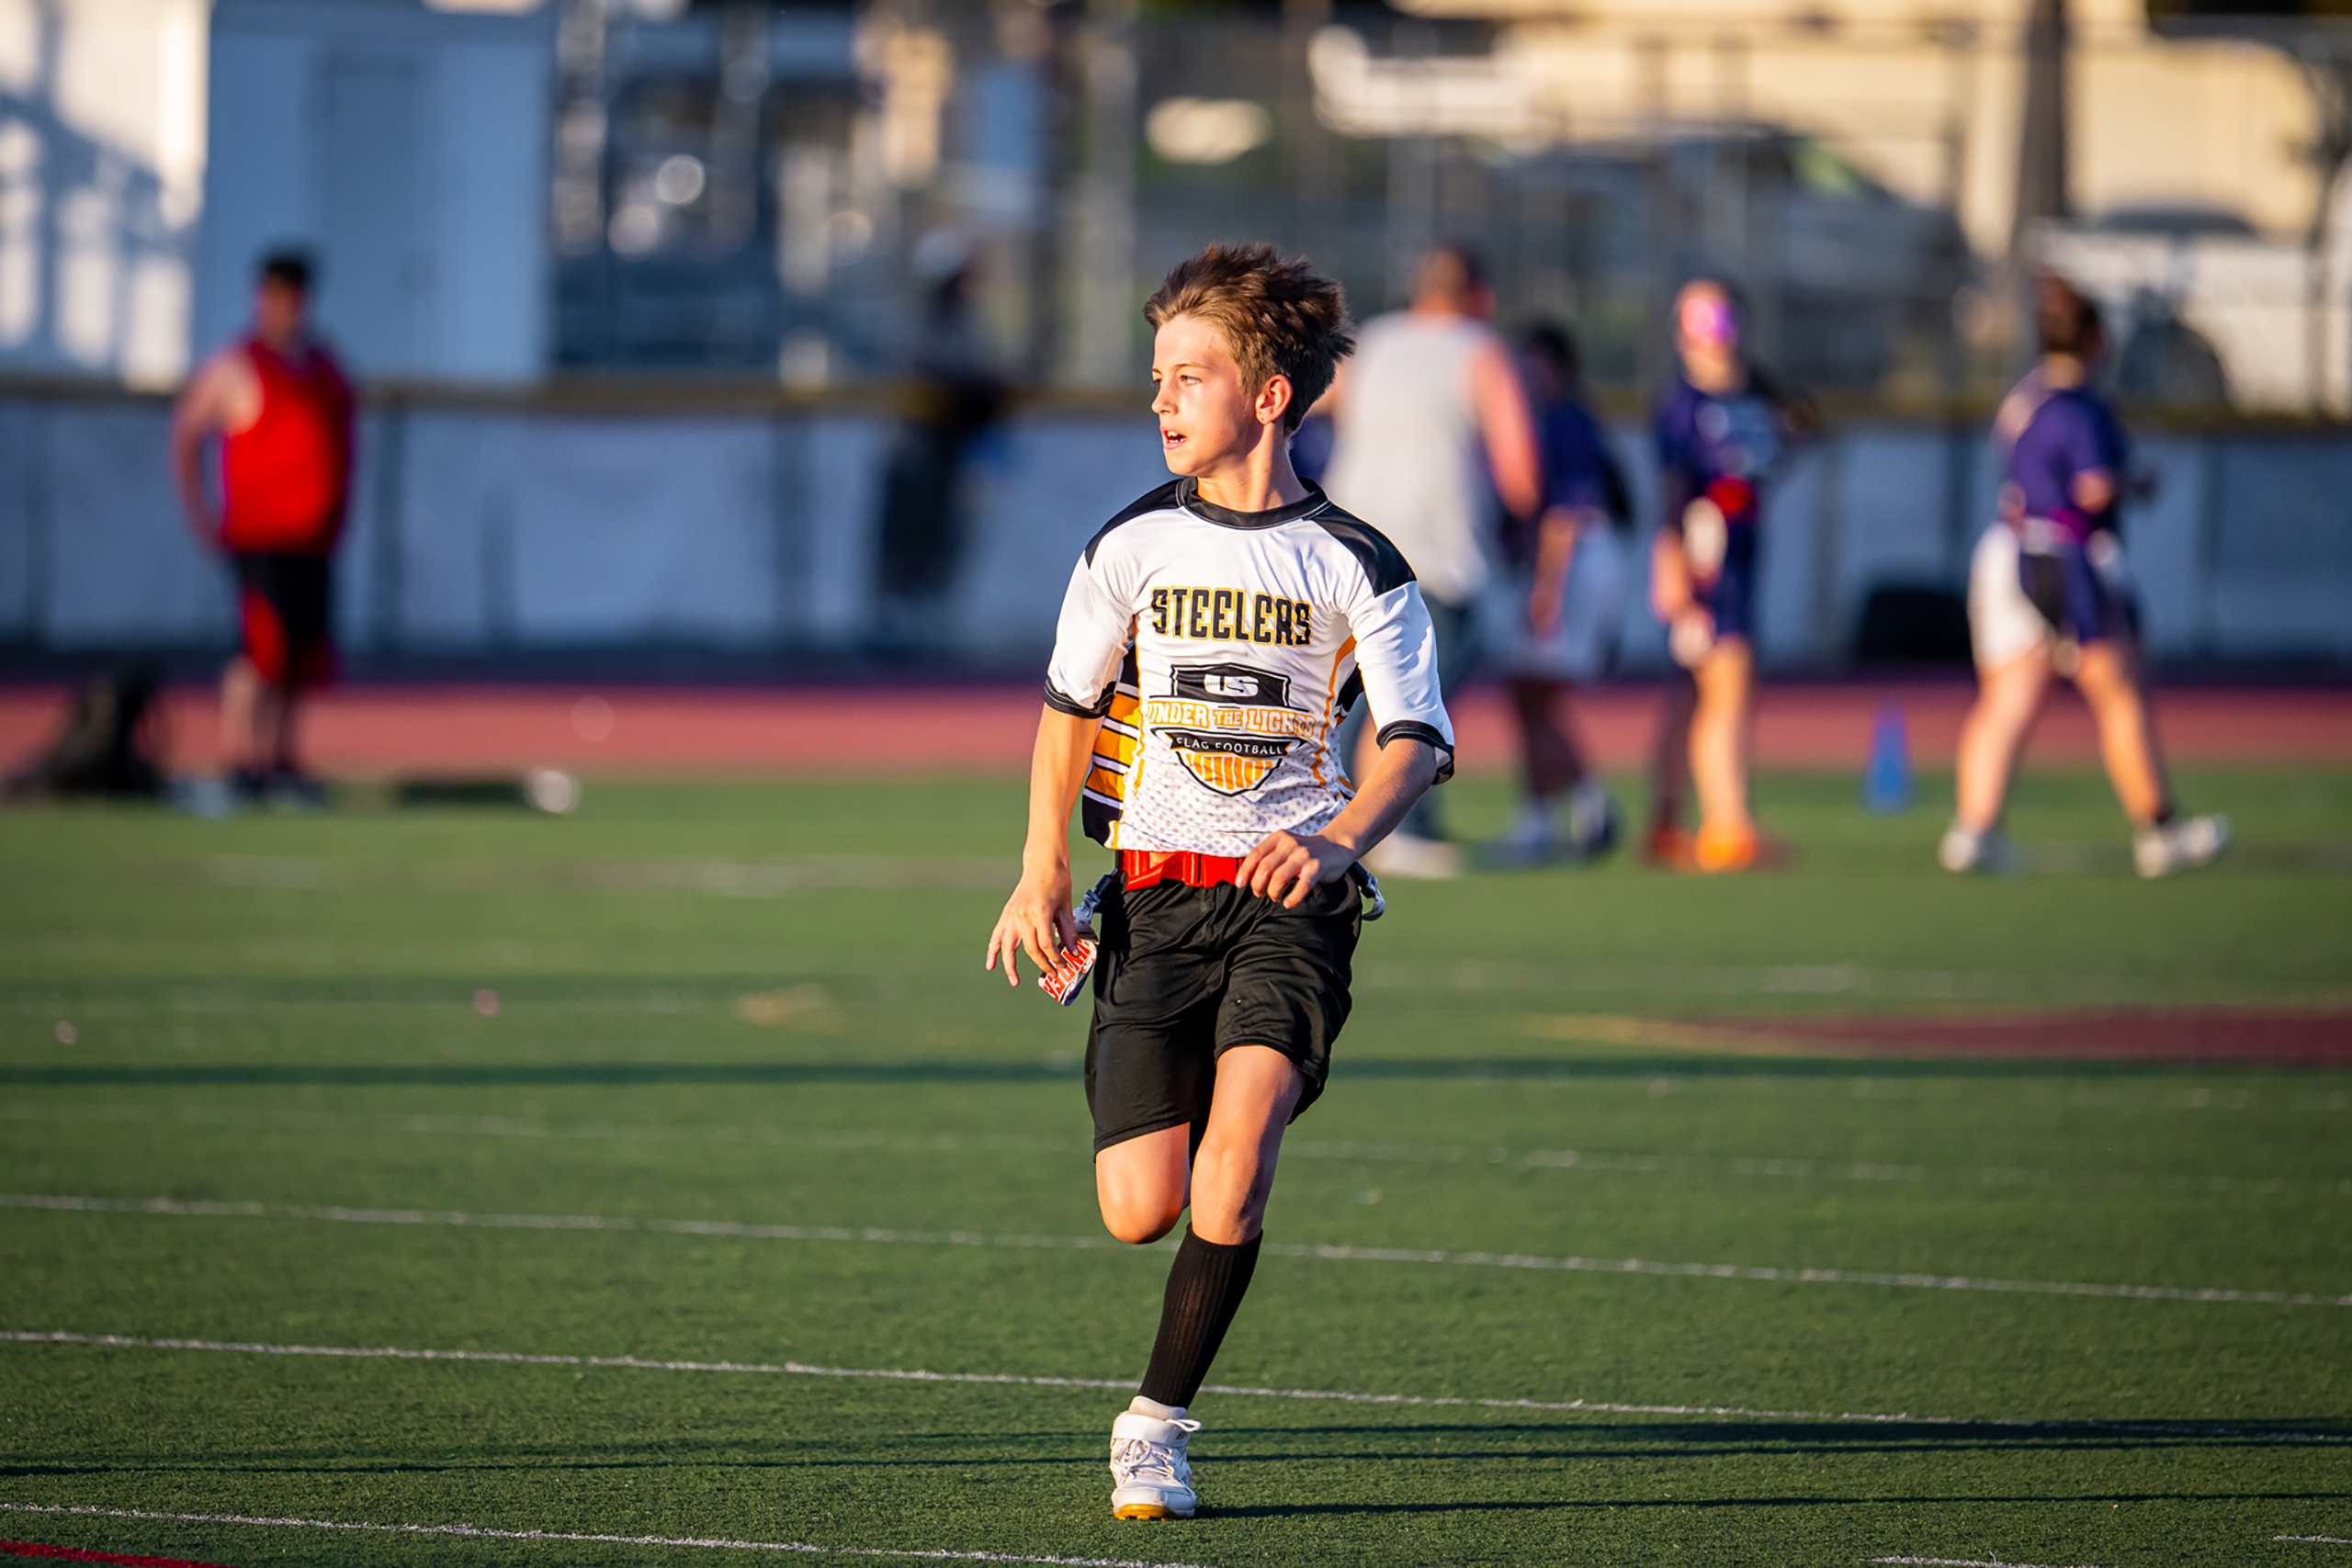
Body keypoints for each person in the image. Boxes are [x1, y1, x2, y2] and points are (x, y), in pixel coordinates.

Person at [983, 243, 1450, 1521]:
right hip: (1154, 902)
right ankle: (1172, 1092)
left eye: (1190, 375)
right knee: (1141, 1205)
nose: (1162, 399)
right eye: (1156, 376)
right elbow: (1067, 709)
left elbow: (1418, 739)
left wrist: (1345, 835)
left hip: (1293, 909)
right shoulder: (1131, 542)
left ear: (1270, 396)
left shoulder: (1359, 561)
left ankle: (1156, 1423)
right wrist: (1042, 871)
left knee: (1234, 1168)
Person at [1939, 276, 2229, 878]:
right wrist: (2138, 485)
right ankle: (2160, 828)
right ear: (2097, 340)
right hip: (2068, 554)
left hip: (2008, 548)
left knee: (2007, 699)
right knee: (2118, 692)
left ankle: (1974, 829)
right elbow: (2092, 486)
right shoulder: (2083, 406)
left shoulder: (2024, 395)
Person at [1318, 244, 1542, 877]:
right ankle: (1394, 826)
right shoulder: (1480, 349)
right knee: (1411, 693)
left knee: (1351, 690)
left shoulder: (1372, 342)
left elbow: (1302, 407)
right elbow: (1521, 470)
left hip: (1349, 536)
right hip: (1437, 552)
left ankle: (1349, 814)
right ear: (1478, 293)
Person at [170, 250, 354, 802]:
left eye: (296, 299)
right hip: (260, 538)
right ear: (261, 299)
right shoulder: (238, 365)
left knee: (301, 656)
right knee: (258, 653)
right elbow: (186, 434)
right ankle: (239, 762)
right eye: (277, 298)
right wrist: (202, 515)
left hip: (314, 538)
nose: (287, 311)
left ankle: (281, 761)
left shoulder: (324, 368)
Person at [1645, 279, 1804, 873]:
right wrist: (1672, 567)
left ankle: (1665, 819)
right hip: (1706, 555)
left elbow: (1788, 438)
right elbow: (1673, 495)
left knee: (1694, 690)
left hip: (1742, 547)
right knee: (1728, 683)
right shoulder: (1685, 407)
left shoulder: (1754, 393)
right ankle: (1727, 823)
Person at [1486, 323, 1633, 867]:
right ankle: (1547, 815)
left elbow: (1565, 515)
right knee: (1528, 693)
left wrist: (1546, 590)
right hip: (1563, 562)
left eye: (1537, 365)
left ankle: (1584, 806)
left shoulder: (1564, 421)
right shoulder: (1547, 419)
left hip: (1572, 564)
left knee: (1536, 690)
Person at [874, 231, 1006, 650]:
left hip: (955, 445)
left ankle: (929, 621)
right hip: (920, 443)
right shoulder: (921, 321)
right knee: (909, 532)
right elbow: (937, 372)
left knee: (946, 535)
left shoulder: (965, 320)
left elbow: (984, 375)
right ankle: (894, 622)